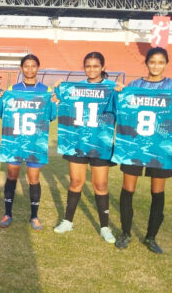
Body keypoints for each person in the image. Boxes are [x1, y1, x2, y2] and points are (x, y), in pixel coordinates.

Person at [112, 47, 172, 254]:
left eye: (160, 62)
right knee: (127, 190)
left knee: (157, 193)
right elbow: (119, 107)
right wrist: (120, 93)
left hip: (159, 148)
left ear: (166, 64)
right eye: (152, 62)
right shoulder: (135, 85)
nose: (156, 66)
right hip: (134, 146)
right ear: (146, 63)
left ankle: (151, 237)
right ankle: (126, 233)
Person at [52, 52, 117, 243]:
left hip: (100, 143)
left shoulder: (112, 88)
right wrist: (57, 88)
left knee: (100, 185)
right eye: (88, 66)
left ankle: (105, 226)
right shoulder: (73, 88)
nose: (92, 69)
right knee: (75, 182)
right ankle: (67, 221)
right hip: (77, 142)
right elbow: (57, 98)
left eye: (96, 66)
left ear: (103, 67)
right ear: (84, 68)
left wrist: (123, 93)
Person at [0, 54, 56, 231]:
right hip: (13, 140)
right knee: (12, 176)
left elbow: (51, 116)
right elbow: (0, 112)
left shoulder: (46, 91)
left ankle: (34, 216)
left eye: (33, 66)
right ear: (21, 68)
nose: (30, 69)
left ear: (38, 68)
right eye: (26, 66)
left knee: (33, 178)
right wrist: (1, 97)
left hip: (35, 142)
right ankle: (7, 213)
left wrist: (53, 102)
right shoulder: (11, 89)